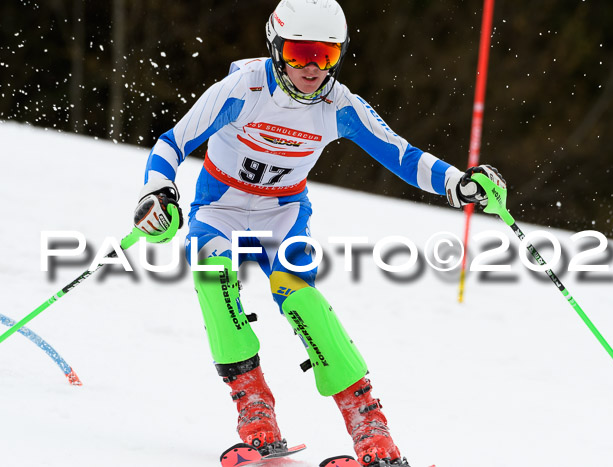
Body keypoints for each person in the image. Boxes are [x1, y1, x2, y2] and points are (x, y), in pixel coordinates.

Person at [132, 1, 506, 466]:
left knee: (299, 297)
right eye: (299, 52)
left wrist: (457, 182)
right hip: (220, 207)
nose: (311, 67)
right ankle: (255, 413)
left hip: (283, 212)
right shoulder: (241, 89)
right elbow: (172, 142)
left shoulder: (339, 105)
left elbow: (402, 156)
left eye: (325, 55)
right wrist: (158, 191)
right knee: (213, 278)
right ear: (276, 48)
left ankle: (371, 429)